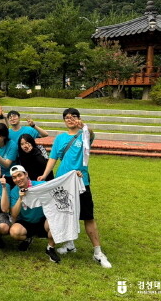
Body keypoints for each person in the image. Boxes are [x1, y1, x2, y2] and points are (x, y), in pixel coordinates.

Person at [38, 108, 112, 268]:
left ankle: (98, 252)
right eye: (67, 117)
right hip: (63, 182)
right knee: (64, 214)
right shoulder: (60, 138)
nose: (70, 119)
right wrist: (45, 175)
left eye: (73, 117)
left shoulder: (84, 135)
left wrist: (83, 125)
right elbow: (53, 158)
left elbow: (91, 134)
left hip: (81, 182)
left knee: (88, 216)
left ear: (79, 118)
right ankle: (69, 244)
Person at [9, 165, 61, 263]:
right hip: (26, 221)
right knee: (14, 232)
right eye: (14, 177)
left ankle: (50, 248)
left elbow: (58, 185)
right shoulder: (14, 192)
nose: (17, 179)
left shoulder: (40, 185)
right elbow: (14, 215)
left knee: (55, 222)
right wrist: (20, 198)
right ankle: (28, 239)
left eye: (19, 175)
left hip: (42, 219)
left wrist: (75, 175)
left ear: (26, 174)